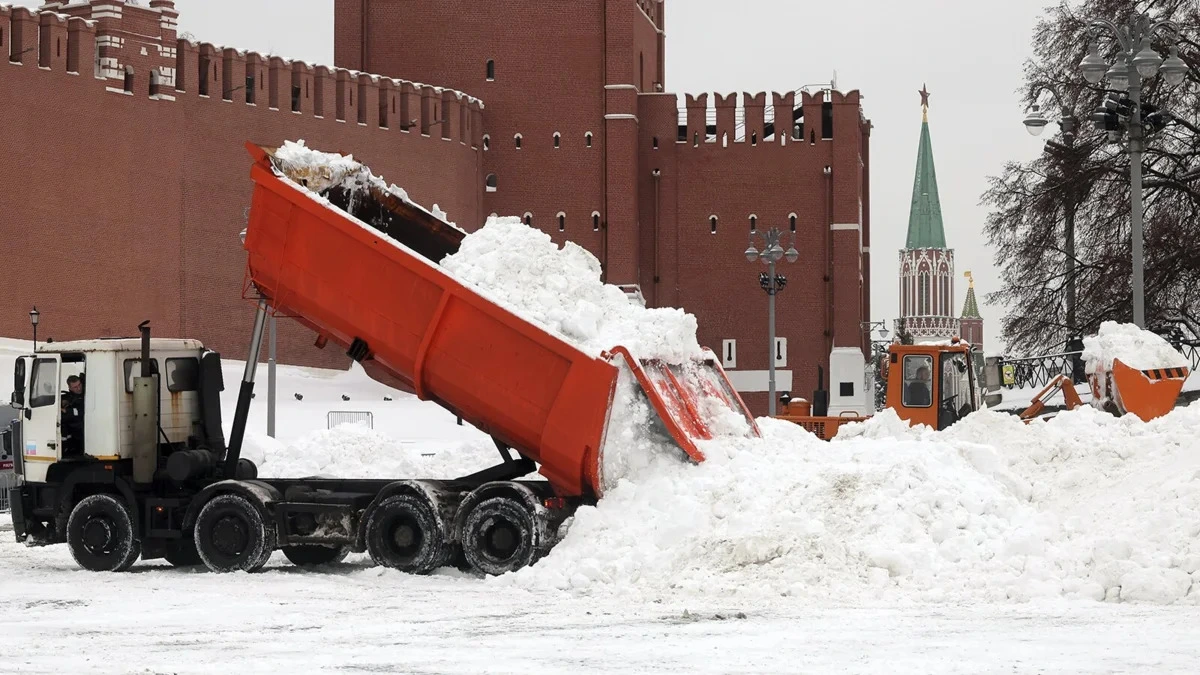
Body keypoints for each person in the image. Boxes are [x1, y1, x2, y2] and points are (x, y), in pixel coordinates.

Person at [61, 375, 85, 457]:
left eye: (79, 385)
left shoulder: (86, 394)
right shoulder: (70, 396)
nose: (79, 388)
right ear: (70, 388)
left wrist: (67, 411)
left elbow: (82, 411)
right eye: (75, 387)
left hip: (81, 427)